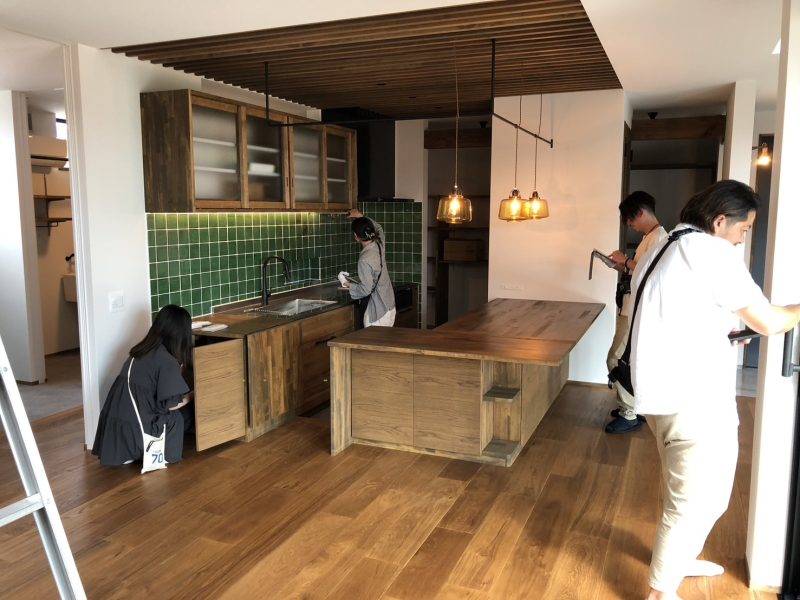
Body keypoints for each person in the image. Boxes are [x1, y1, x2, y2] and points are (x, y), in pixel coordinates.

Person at [629, 180, 800, 599]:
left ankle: (680, 559)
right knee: (692, 501)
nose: (742, 240)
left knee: (697, 495)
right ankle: (660, 592)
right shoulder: (711, 252)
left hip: (663, 394)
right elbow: (769, 320)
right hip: (693, 400)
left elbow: (670, 313)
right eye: (744, 230)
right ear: (720, 221)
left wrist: (722, 334)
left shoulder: (665, 245)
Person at [92, 304, 195, 466]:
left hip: (117, 428)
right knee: (181, 415)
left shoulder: (140, 351)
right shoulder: (166, 361)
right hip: (138, 431)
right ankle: (150, 453)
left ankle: (129, 451)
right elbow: (171, 405)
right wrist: (194, 395)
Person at [605, 191, 667, 433]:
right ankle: (633, 407)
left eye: (630, 219)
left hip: (635, 312)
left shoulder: (659, 237)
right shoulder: (649, 237)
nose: (630, 224)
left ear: (640, 212)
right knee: (626, 360)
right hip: (630, 309)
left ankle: (629, 412)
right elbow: (641, 270)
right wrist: (622, 266)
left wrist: (625, 261)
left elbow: (653, 271)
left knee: (616, 359)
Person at [343, 208, 396, 327]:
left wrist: (350, 285)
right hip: (389, 305)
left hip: (378, 311)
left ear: (356, 236)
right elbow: (379, 228)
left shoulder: (364, 259)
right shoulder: (379, 244)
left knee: (370, 339)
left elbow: (366, 289)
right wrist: (361, 216)